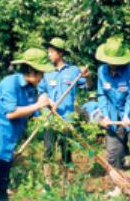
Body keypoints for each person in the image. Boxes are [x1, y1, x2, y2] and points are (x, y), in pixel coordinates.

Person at [0, 47, 54, 200]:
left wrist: (48, 107)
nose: (43, 77)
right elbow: (11, 113)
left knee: (1, 192)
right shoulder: (10, 83)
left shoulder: (30, 89)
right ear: (31, 69)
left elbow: (32, 111)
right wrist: (38, 105)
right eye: (41, 72)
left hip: (5, 148)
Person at [95, 35, 130, 196]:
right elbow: (102, 95)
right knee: (113, 154)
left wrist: (127, 115)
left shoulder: (129, 71)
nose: (113, 65)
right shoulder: (102, 72)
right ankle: (117, 187)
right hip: (112, 117)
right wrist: (105, 116)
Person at [38, 37, 89, 184]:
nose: (49, 55)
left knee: (66, 150)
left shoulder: (74, 71)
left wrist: (88, 76)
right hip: (50, 118)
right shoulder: (46, 72)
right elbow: (41, 91)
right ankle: (48, 180)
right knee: (48, 150)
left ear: (60, 53)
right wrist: (47, 101)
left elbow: (87, 85)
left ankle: (67, 180)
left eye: (51, 52)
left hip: (67, 118)